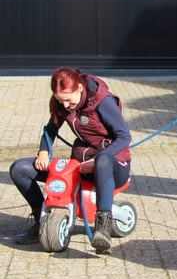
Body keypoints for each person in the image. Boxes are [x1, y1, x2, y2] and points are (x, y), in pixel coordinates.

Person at [10, 67, 131, 254]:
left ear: (80, 88)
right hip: (81, 163)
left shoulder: (103, 101)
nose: (65, 105)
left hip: (113, 165)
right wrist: (43, 151)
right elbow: (50, 129)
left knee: (103, 161)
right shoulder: (62, 104)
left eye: (68, 99)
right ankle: (41, 220)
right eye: (60, 100)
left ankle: (103, 229)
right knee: (19, 169)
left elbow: (124, 136)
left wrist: (97, 159)